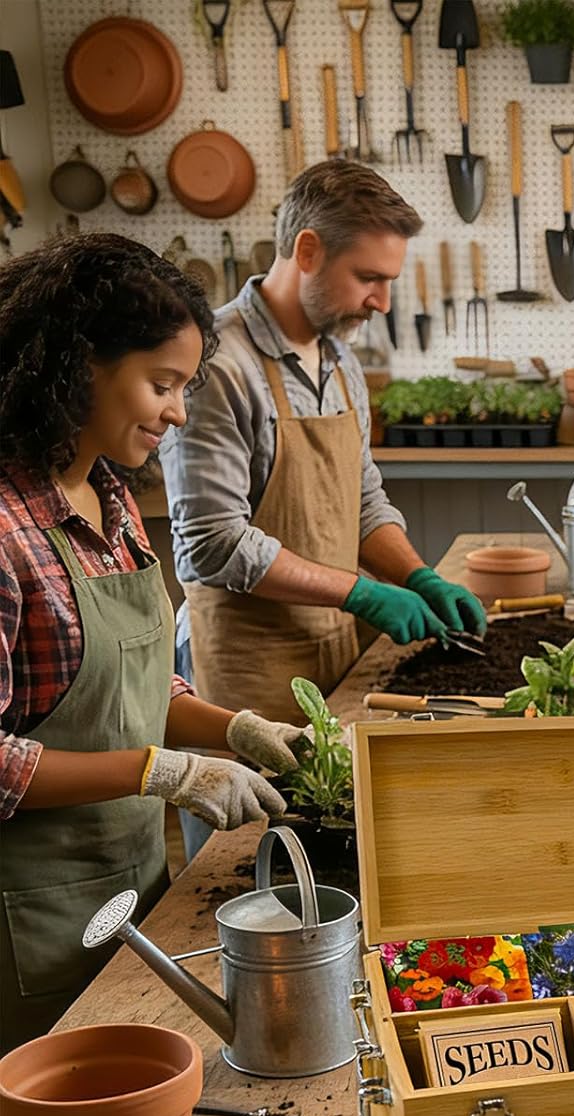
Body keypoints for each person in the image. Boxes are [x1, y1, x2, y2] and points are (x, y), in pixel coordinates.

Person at [0, 235, 309, 1049]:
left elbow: (131, 688)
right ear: (77, 366)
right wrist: (159, 771)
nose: (177, 413)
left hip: (133, 891)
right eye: (161, 384)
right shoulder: (5, 530)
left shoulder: (111, 497)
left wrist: (237, 729)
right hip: (30, 924)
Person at [164, 160, 485, 729]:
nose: (383, 302)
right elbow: (211, 545)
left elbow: (363, 503)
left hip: (336, 656)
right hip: (248, 674)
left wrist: (418, 576)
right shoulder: (218, 365)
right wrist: (361, 593)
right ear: (307, 250)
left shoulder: (340, 360)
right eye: (368, 278)